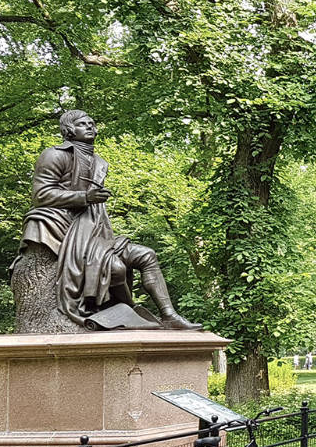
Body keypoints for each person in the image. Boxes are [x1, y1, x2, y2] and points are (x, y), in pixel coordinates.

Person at [11, 110, 199, 330]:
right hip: (65, 227)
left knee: (147, 255)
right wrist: (84, 197)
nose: (91, 127)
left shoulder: (99, 162)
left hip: (95, 230)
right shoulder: (54, 155)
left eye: (92, 123)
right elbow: (40, 195)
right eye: (83, 124)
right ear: (69, 130)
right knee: (115, 267)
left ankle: (169, 315)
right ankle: (110, 309)